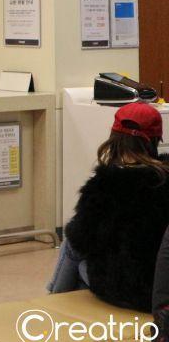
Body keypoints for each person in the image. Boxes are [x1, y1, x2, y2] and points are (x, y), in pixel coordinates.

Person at [49, 102, 169, 310]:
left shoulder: (102, 186)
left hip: (123, 291)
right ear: (156, 139)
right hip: (160, 290)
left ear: (114, 138)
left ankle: (53, 300)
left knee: (72, 245)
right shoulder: (163, 180)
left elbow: (81, 240)